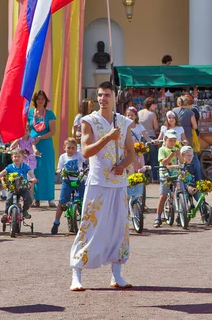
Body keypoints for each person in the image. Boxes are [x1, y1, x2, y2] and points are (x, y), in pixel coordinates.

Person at [70, 81, 135, 291]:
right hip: (98, 182)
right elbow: (86, 151)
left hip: (118, 184)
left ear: (114, 97)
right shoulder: (89, 121)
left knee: (119, 229)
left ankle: (117, 274)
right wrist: (107, 138)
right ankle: (76, 273)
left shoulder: (123, 122)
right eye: (99, 95)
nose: (102, 98)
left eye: (107, 95)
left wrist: (123, 165)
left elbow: (131, 152)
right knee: (90, 226)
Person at [28, 90, 57, 208]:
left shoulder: (49, 114)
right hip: (32, 146)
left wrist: (40, 137)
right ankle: (36, 199)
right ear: (35, 100)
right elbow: (26, 129)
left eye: (43, 99)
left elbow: (52, 131)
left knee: (48, 171)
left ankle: (50, 199)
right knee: (35, 171)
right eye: (39, 98)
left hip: (46, 145)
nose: (41, 101)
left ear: (45, 101)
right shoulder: (29, 113)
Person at [51, 137, 86, 235]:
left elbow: (86, 161)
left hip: (79, 180)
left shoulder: (79, 155)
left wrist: (88, 167)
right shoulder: (63, 157)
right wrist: (60, 171)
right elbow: (58, 169)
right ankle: (56, 222)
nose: (71, 150)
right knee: (62, 203)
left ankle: (86, 223)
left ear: (76, 148)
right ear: (64, 147)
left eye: (73, 148)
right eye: (69, 148)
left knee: (84, 200)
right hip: (67, 181)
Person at [0, 149, 37, 221]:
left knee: (29, 199)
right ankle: (5, 213)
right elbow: (3, 172)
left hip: (23, 187)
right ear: (12, 158)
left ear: (22, 158)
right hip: (13, 187)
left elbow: (30, 173)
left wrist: (33, 178)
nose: (16, 158)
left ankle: (24, 210)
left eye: (18, 156)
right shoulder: (10, 167)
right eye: (15, 157)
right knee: (9, 199)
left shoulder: (25, 166)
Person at [154, 129, 181, 228]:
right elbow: (164, 162)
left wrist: (179, 155)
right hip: (165, 174)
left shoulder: (177, 148)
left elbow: (182, 161)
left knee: (180, 192)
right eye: (170, 140)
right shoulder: (162, 150)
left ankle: (181, 214)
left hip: (176, 174)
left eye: (174, 140)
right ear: (165, 139)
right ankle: (158, 217)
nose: (173, 143)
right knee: (163, 196)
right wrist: (172, 154)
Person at [138, 97, 160, 182]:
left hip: (141, 137)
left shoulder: (139, 113)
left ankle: (142, 177)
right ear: (151, 104)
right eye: (155, 104)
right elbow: (156, 127)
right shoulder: (152, 114)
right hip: (151, 137)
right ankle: (154, 178)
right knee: (154, 158)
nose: (156, 106)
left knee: (143, 158)